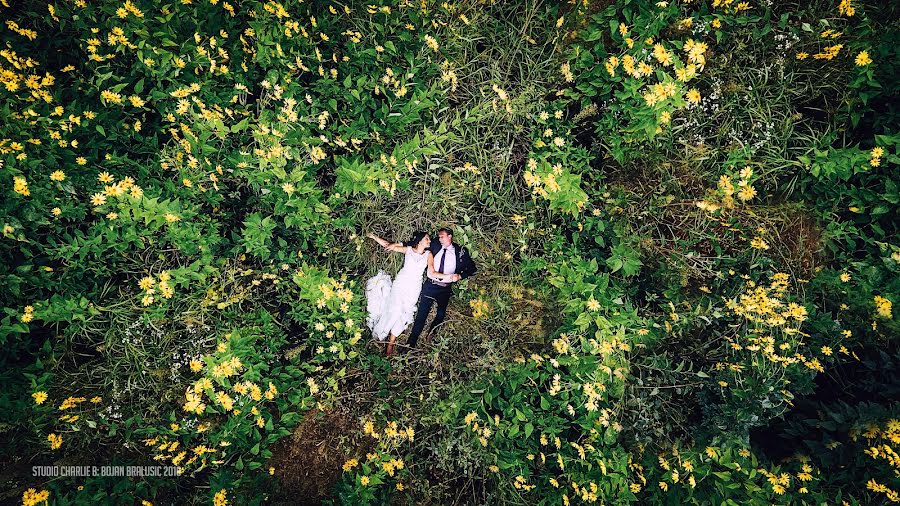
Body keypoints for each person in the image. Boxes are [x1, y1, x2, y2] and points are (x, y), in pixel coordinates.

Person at [364, 231, 443, 356]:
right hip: (401, 283)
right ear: (420, 241)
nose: (429, 241)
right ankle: (384, 336)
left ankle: (391, 342)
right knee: (395, 309)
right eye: (427, 239)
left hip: (414, 287)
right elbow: (389, 245)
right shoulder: (409, 250)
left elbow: (432, 271)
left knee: (404, 312)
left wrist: (448, 277)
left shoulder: (428, 254)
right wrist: (374, 237)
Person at [405, 227, 478, 350]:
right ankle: (411, 343)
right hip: (430, 285)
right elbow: (416, 244)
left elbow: (472, 269)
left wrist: (460, 276)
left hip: (445, 288)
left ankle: (432, 333)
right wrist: (399, 245)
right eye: (439, 237)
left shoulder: (460, 251)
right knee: (422, 314)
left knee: (441, 314)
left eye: (442, 236)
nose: (440, 239)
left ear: (450, 236)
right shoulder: (434, 244)